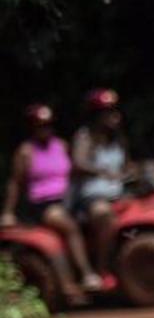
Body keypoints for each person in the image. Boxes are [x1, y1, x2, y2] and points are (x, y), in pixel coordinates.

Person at [2, 104, 104, 301]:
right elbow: (15, 183)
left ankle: (103, 269)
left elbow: (75, 174)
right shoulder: (25, 152)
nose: (45, 129)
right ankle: (87, 275)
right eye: (40, 126)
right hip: (43, 204)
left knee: (97, 216)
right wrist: (8, 212)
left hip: (69, 200)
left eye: (48, 125)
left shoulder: (61, 146)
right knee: (68, 225)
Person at [71, 88, 129, 271]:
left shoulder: (118, 139)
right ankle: (102, 268)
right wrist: (101, 171)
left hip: (119, 192)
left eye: (115, 110)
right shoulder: (85, 137)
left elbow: (125, 167)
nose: (114, 115)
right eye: (107, 112)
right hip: (93, 197)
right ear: (96, 116)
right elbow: (78, 163)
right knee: (104, 215)